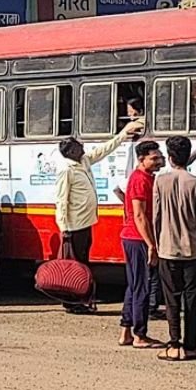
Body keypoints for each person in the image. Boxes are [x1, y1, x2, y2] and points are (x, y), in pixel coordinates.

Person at [53, 118, 145, 313]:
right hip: (73, 225)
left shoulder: (83, 161)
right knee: (75, 266)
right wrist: (64, 229)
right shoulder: (66, 170)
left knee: (83, 262)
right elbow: (61, 200)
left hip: (85, 222)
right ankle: (73, 302)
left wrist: (122, 135)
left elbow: (103, 150)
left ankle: (80, 300)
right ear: (70, 152)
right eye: (79, 146)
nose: (83, 147)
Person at [150, 136, 196, 362]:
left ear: (169, 157)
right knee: (194, 301)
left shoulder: (160, 181)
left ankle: (174, 344)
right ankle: (192, 345)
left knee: (171, 299)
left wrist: (156, 243)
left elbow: (155, 216)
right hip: (193, 249)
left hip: (167, 249)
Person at [117, 140, 163, 349]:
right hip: (137, 239)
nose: (158, 162)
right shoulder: (140, 180)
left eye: (159, 158)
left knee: (134, 286)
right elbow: (139, 214)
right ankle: (140, 335)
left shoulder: (145, 178)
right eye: (154, 158)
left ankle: (126, 331)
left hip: (134, 238)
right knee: (143, 287)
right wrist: (151, 245)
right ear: (141, 159)